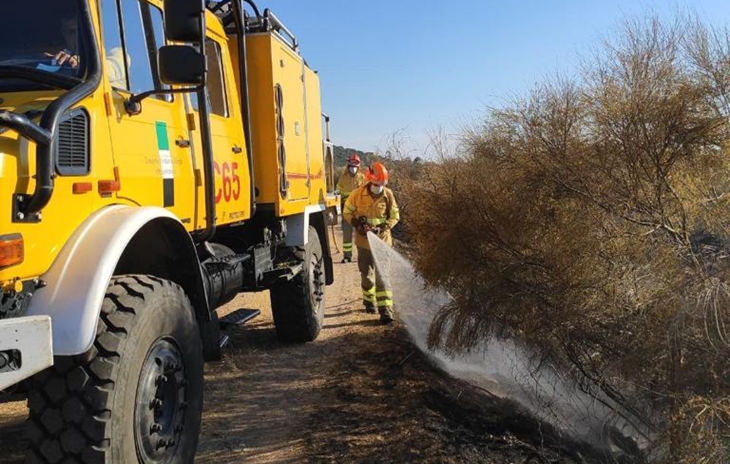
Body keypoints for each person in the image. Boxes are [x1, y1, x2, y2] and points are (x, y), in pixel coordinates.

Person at [343, 162, 400, 324]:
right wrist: (356, 224)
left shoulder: (388, 195)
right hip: (364, 243)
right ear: (369, 181)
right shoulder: (357, 194)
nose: (379, 187)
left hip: (383, 242)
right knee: (367, 276)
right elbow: (347, 211)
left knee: (383, 276)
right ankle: (369, 301)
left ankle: (386, 311)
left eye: (382, 184)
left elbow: (395, 216)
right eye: (376, 184)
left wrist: (383, 226)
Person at [335, 153, 366, 263]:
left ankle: (362, 256)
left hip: (359, 210)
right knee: (347, 233)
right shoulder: (343, 177)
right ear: (348, 165)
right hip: (347, 209)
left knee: (361, 233)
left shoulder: (362, 178)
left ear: (358, 166)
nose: (353, 167)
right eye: (351, 164)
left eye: (355, 164)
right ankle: (347, 256)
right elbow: (338, 189)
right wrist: (337, 192)